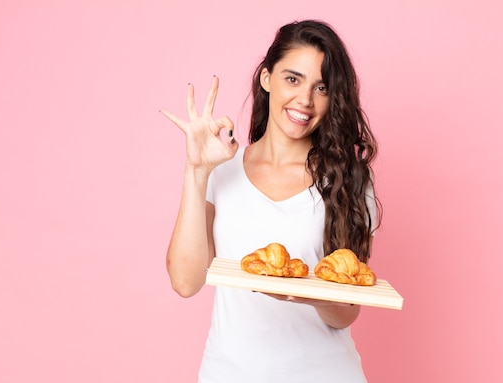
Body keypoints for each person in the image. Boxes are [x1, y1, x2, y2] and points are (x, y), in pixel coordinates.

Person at [160, 19, 381, 383]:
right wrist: (196, 171)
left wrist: (306, 294)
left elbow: (346, 312)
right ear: (267, 78)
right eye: (292, 79)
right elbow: (186, 282)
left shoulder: (349, 178)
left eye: (321, 87)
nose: (305, 100)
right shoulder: (222, 169)